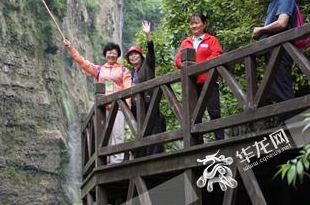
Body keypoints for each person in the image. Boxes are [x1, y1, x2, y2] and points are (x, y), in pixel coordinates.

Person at [64, 39, 131, 163]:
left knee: (118, 133)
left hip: (119, 106)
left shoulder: (123, 71)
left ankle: (119, 160)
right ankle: (110, 160)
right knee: (106, 134)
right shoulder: (99, 70)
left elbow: (128, 88)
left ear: (118, 55)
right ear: (105, 54)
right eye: (109, 52)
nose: (111, 55)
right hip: (103, 107)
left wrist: (127, 105)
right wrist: (70, 48)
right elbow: (83, 63)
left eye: (114, 53)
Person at [175, 12, 224, 140]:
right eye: (192, 23)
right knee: (194, 114)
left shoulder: (211, 40)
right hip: (191, 84)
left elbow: (216, 54)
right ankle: (197, 142)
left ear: (204, 24)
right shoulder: (186, 42)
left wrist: (197, 66)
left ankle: (220, 140)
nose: (194, 26)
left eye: (197, 22)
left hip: (208, 80)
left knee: (214, 111)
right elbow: (178, 60)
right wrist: (188, 68)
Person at [252, 0, 296, 102]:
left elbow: (282, 23)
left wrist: (261, 30)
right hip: (272, 51)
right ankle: (285, 122)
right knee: (276, 90)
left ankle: (291, 122)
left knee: (283, 89)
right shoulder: (272, 3)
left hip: (282, 51)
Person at [126, 20, 166, 155]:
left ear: (141, 56)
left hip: (149, 103)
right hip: (136, 107)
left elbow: (151, 52)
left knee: (154, 127)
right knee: (141, 130)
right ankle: (143, 155)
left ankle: (154, 155)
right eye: (130, 55)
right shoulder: (130, 73)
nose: (133, 56)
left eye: (136, 54)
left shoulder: (147, 66)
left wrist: (148, 35)